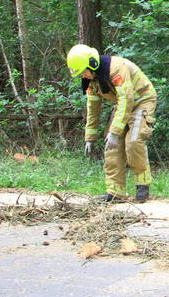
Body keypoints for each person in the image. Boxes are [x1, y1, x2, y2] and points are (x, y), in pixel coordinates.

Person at [66, 44, 157, 203]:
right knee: (111, 147)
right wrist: (90, 137)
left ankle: (142, 186)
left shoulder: (116, 69)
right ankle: (115, 192)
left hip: (141, 101)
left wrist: (115, 131)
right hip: (123, 105)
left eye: (83, 72)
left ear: (92, 64)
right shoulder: (91, 81)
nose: (83, 76)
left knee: (133, 141)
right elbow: (93, 109)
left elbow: (127, 99)